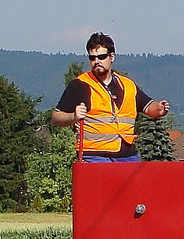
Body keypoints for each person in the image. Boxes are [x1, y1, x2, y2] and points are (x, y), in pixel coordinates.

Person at [51, 32, 169, 161]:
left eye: (101, 57)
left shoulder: (128, 85)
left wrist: (159, 109)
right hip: (94, 156)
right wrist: (73, 116)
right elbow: (56, 117)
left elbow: (147, 106)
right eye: (92, 58)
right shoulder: (80, 85)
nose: (97, 61)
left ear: (111, 57)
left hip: (127, 155)